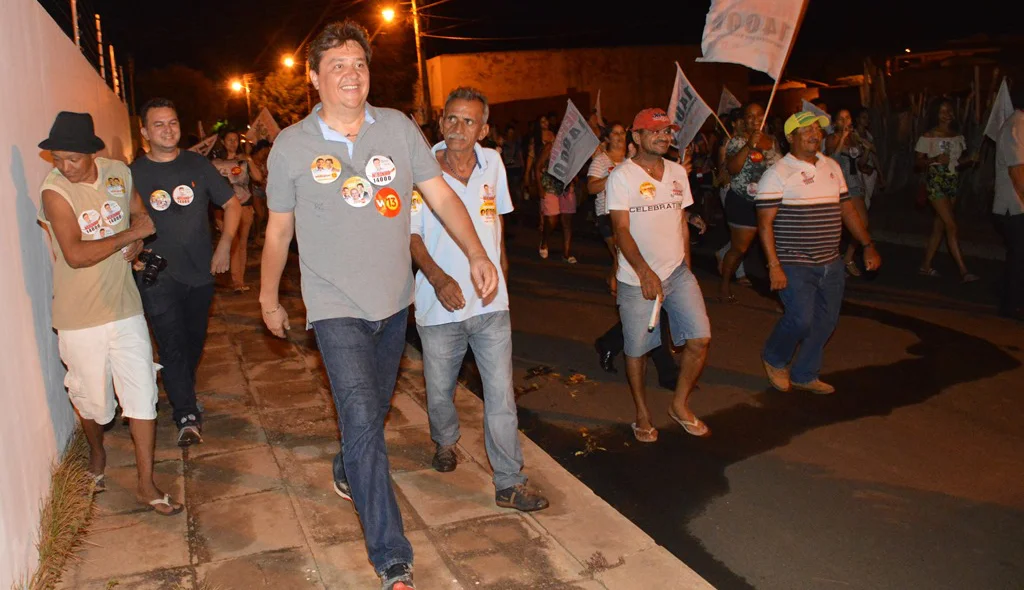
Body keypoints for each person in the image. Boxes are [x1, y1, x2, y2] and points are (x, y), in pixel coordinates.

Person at [259, 21, 498, 590]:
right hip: (332, 304)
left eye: (360, 64)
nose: (352, 74)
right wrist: (268, 297)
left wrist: (475, 253)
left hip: (394, 304)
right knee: (365, 417)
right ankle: (392, 557)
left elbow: (441, 196)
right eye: (338, 65)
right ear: (315, 78)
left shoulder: (397, 128)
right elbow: (276, 233)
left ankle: (347, 465)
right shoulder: (291, 146)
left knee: (367, 419)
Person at [411, 87, 549, 512]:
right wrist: (437, 278)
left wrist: (502, 277)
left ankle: (509, 481)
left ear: (483, 129)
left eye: (468, 121)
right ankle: (445, 440)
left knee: (501, 396)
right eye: (451, 119)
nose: (458, 128)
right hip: (439, 305)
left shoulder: (492, 165)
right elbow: (410, 235)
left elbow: (496, 227)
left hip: (491, 305)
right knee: (439, 392)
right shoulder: (421, 166)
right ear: (441, 122)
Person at [36, 111, 182, 515]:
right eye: (58, 159)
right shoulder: (54, 192)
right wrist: (132, 235)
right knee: (95, 405)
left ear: (92, 153)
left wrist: (137, 233)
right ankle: (97, 452)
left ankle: (146, 483)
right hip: (79, 316)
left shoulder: (117, 171)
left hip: (124, 307)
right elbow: (77, 254)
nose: (64, 167)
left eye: (72, 159)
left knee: (142, 396)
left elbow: (139, 212)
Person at [131, 98, 242, 446]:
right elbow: (124, 220)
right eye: (159, 124)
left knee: (193, 341)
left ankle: (183, 392)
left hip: (200, 273)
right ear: (145, 131)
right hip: (157, 275)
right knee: (171, 343)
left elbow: (232, 204)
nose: (168, 129)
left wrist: (224, 246)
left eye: (173, 122)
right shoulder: (134, 173)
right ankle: (186, 414)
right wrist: (132, 249)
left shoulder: (197, 165)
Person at [756, 111, 882, 395]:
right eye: (806, 130)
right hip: (794, 261)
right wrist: (773, 265)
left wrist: (867, 245)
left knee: (826, 321)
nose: (815, 134)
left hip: (830, 262)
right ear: (790, 137)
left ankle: (805, 373)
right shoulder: (777, 173)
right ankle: (774, 357)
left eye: (817, 129)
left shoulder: (831, 167)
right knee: (801, 318)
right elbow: (764, 224)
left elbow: (847, 209)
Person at [607, 108, 713, 443]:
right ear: (636, 137)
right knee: (637, 351)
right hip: (637, 279)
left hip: (677, 272)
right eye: (656, 132)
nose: (665, 137)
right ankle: (641, 413)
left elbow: (681, 221)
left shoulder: (678, 172)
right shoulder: (620, 177)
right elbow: (621, 231)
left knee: (700, 339)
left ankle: (679, 406)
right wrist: (644, 272)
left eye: (668, 131)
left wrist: (687, 268)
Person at [719, 103, 782, 302]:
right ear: (744, 120)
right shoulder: (736, 141)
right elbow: (732, 169)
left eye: (759, 115)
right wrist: (749, 145)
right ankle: (725, 284)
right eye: (750, 116)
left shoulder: (772, 141)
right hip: (742, 201)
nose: (755, 120)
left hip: (768, 203)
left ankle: (782, 296)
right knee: (739, 249)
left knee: (774, 251)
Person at [915, 98, 979, 282]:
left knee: (940, 226)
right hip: (936, 180)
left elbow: (956, 163)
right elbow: (918, 162)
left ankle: (925, 266)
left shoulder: (957, 136)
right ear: (936, 114)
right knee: (952, 226)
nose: (947, 115)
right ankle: (963, 271)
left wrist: (970, 159)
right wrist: (933, 159)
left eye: (949, 110)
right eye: (942, 111)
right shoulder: (928, 136)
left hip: (952, 181)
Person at [212, 130, 263, 293]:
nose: (233, 142)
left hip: (245, 206)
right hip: (223, 209)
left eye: (235, 140)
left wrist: (249, 159)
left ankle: (239, 279)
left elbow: (258, 177)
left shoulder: (244, 161)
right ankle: (235, 280)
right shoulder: (216, 162)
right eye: (229, 139)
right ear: (223, 141)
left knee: (242, 244)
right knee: (231, 242)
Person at [826, 108, 872, 277]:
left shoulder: (855, 139)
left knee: (863, 224)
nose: (845, 120)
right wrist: (842, 139)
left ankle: (848, 257)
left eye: (848, 117)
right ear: (835, 122)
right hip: (839, 184)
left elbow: (861, 164)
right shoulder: (832, 138)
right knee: (837, 226)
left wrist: (866, 150)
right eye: (841, 118)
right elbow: (831, 159)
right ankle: (833, 260)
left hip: (855, 183)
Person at [993, 87, 1024, 321]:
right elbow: (1017, 173)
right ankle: (1010, 304)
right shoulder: (1016, 127)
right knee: (1019, 256)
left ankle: (1010, 299)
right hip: (1014, 206)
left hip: (1017, 205)